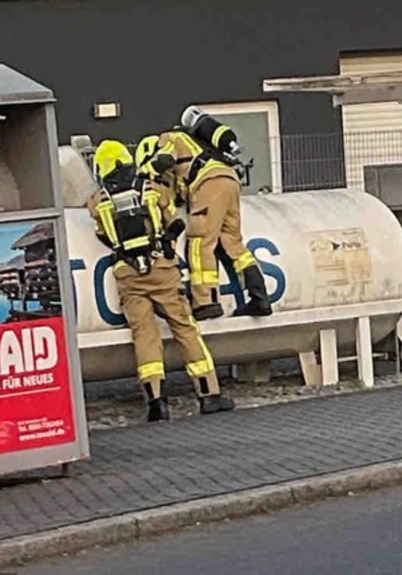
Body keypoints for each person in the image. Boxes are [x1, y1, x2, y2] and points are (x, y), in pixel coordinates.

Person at [86, 139, 235, 421]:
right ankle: (208, 394)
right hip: (161, 268)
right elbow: (170, 220)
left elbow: (102, 235)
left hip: (127, 275)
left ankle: (155, 402)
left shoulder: (97, 202)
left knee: (144, 335)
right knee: (185, 328)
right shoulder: (152, 190)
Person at [140, 108, 273, 320]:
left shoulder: (171, 138)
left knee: (200, 244)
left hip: (208, 183)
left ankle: (205, 303)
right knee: (232, 242)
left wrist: (146, 170)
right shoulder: (202, 144)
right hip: (229, 180)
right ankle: (260, 296)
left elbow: (165, 159)